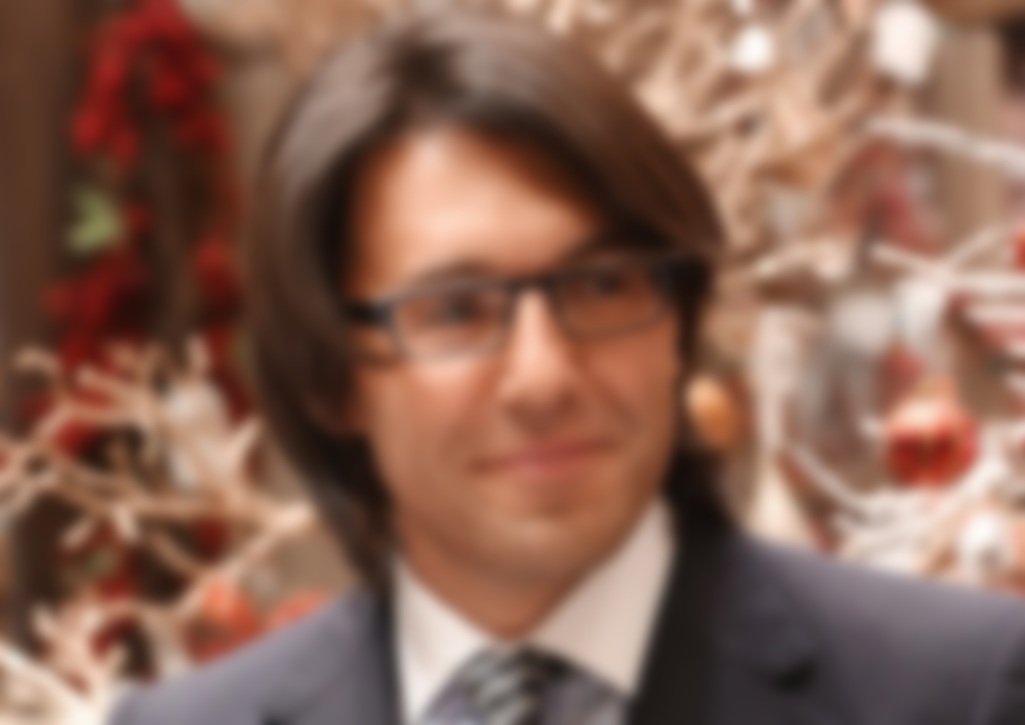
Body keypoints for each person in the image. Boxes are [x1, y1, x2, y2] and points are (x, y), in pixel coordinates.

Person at [112, 8, 1025, 725]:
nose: (543, 377)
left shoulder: (956, 690)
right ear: (330, 379)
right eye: (457, 310)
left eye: (601, 286)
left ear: (678, 323)